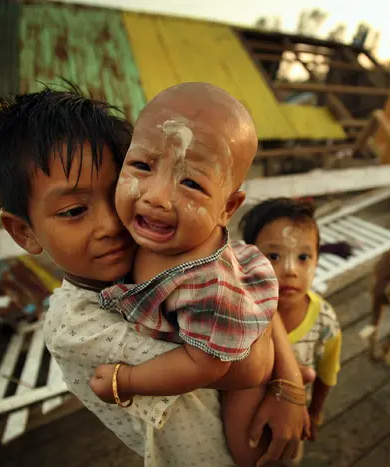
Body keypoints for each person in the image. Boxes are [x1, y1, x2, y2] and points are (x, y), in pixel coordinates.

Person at [0, 86, 306, 467]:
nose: (112, 224)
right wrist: (284, 374)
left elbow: (247, 286)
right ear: (24, 232)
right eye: (73, 211)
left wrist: (292, 388)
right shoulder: (75, 327)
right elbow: (246, 365)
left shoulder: (157, 241)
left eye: (117, 184)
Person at [88, 82, 305, 465]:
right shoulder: (142, 233)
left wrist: (128, 380)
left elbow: (204, 363)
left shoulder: (207, 287)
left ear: (228, 207)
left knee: (250, 453)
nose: (156, 195)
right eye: (141, 166)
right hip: (236, 337)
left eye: (191, 183)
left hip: (240, 372)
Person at [240, 198, 343, 443]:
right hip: (242, 424)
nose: (290, 270)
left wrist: (315, 414)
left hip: (293, 420)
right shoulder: (238, 312)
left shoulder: (326, 324)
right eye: (273, 255)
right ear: (248, 258)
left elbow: (326, 377)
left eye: (304, 257)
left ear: (317, 260)